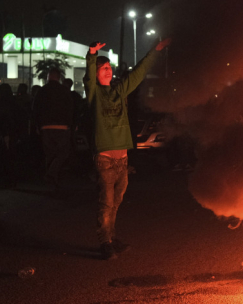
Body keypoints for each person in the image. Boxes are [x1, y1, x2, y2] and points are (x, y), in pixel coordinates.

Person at [86, 38, 170, 260]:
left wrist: (155, 50)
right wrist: (92, 54)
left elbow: (138, 73)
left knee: (115, 203)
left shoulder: (119, 90)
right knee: (106, 204)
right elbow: (88, 77)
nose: (108, 71)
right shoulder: (94, 94)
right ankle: (104, 243)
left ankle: (111, 238)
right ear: (94, 73)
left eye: (109, 68)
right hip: (104, 158)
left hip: (122, 159)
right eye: (103, 68)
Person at [33, 68, 76, 190]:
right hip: (62, 126)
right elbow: (71, 108)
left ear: (48, 77)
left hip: (46, 127)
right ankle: (52, 175)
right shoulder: (64, 91)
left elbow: (35, 109)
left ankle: (51, 181)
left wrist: (37, 125)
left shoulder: (42, 91)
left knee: (50, 154)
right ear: (58, 77)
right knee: (63, 153)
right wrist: (71, 124)